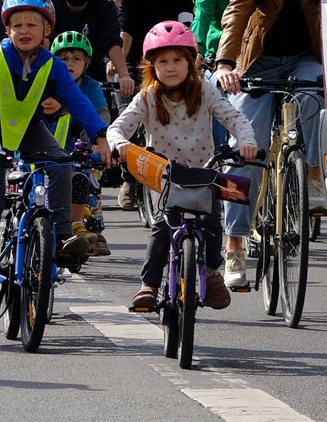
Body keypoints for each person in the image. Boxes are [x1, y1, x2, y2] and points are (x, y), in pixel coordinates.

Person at [0, 0, 111, 316]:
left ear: (47, 31)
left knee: (61, 166)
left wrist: (101, 136)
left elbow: (77, 101)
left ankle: (58, 241)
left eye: (33, 24)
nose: (25, 31)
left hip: (29, 131)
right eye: (17, 25)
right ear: (7, 30)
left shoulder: (53, 65)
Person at [214, 0, 326, 288]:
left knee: (315, 98)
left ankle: (311, 174)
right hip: (258, 64)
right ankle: (234, 244)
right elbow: (236, 12)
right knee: (245, 151)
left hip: (304, 60)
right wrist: (226, 64)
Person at [109, 21, 257, 311]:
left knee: (214, 222)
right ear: (152, 67)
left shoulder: (205, 91)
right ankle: (148, 286)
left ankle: (213, 274)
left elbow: (236, 118)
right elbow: (118, 127)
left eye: (178, 59)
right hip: (165, 177)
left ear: (191, 63)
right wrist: (119, 144)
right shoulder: (148, 96)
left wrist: (246, 141)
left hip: (204, 172)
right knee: (162, 230)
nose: (171, 67)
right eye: (163, 61)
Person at [116, 0, 193, 210]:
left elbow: (187, 23)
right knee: (133, 120)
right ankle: (129, 180)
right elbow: (125, 25)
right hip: (140, 60)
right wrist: (119, 62)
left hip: (173, 61)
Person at [43, 31, 112, 257]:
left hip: (78, 149)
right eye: (64, 59)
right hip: (43, 151)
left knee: (88, 178)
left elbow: (101, 113)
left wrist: (99, 139)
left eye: (76, 58)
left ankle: (91, 229)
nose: (70, 64)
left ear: (87, 62)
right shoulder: (47, 81)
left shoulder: (90, 86)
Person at [50, 0, 133, 95]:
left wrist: (124, 75)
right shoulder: (50, 6)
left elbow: (112, 41)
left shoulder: (104, 5)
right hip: (55, 80)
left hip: (93, 79)